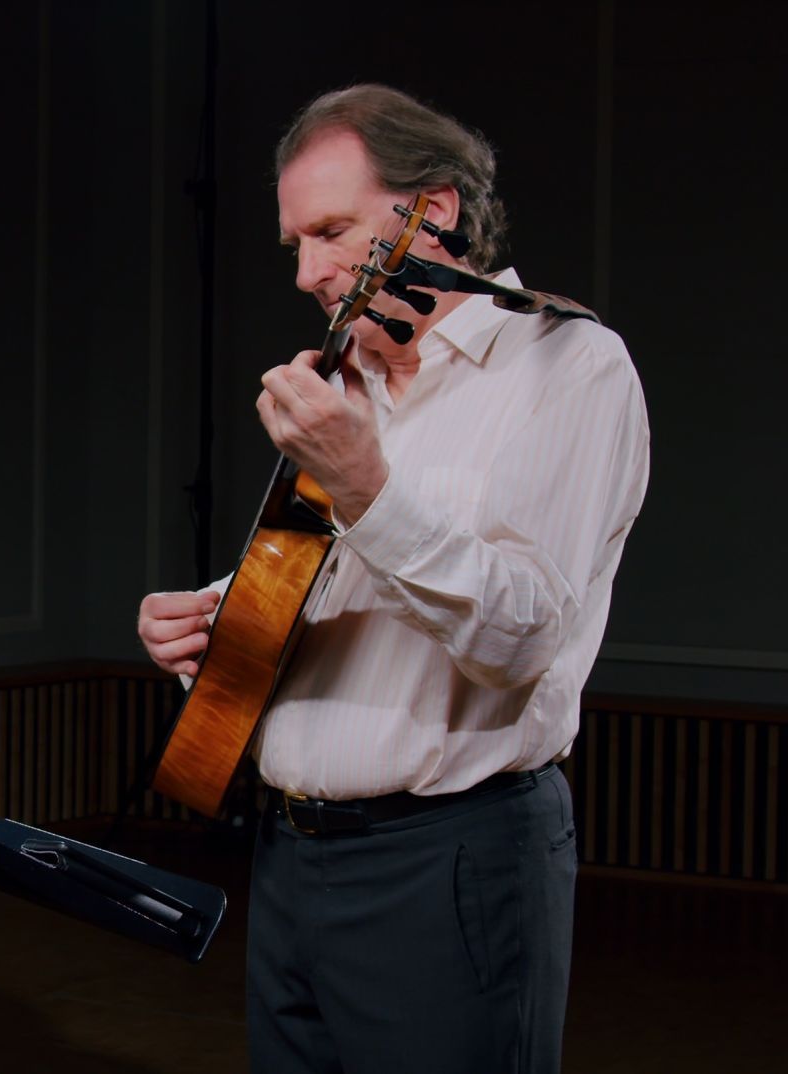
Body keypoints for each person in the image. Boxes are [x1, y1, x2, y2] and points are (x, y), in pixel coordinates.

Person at [137, 84, 649, 1073]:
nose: (306, 271)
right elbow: (330, 589)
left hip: (450, 862)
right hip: (288, 861)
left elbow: (522, 639)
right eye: (292, 243)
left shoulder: (566, 365)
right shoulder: (347, 383)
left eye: (328, 231)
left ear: (434, 209)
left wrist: (363, 480)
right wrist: (211, 617)